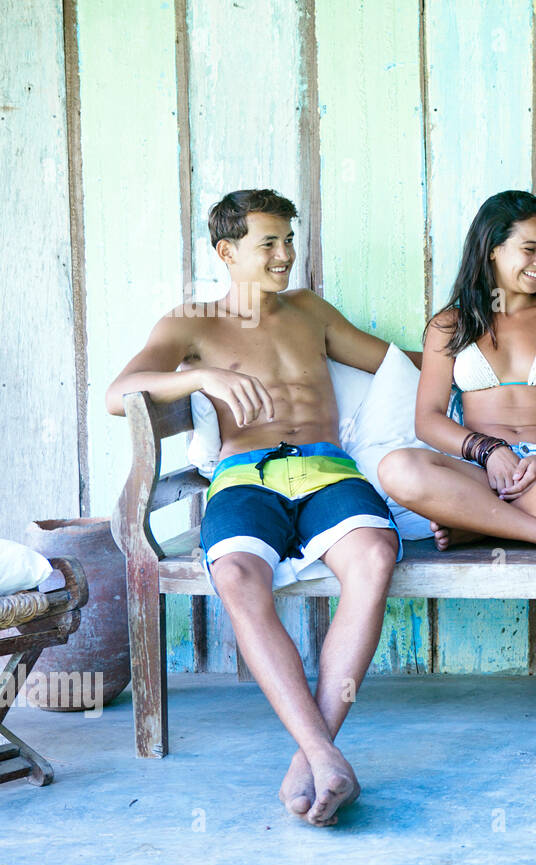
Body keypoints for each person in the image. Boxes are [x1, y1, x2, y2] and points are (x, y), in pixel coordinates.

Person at [106, 189, 412, 827]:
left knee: (376, 556)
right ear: (227, 251)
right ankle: (324, 753)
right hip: (246, 475)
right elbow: (119, 393)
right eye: (268, 243)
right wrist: (200, 378)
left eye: (289, 241)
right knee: (239, 576)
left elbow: (396, 366)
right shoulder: (191, 323)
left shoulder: (310, 311)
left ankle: (315, 757)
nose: (285, 256)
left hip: (329, 469)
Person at [377, 190, 536, 554]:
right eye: (529, 249)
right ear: (492, 249)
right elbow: (428, 419)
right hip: (478, 473)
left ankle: (479, 525)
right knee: (397, 468)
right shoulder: (449, 325)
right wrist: (489, 451)